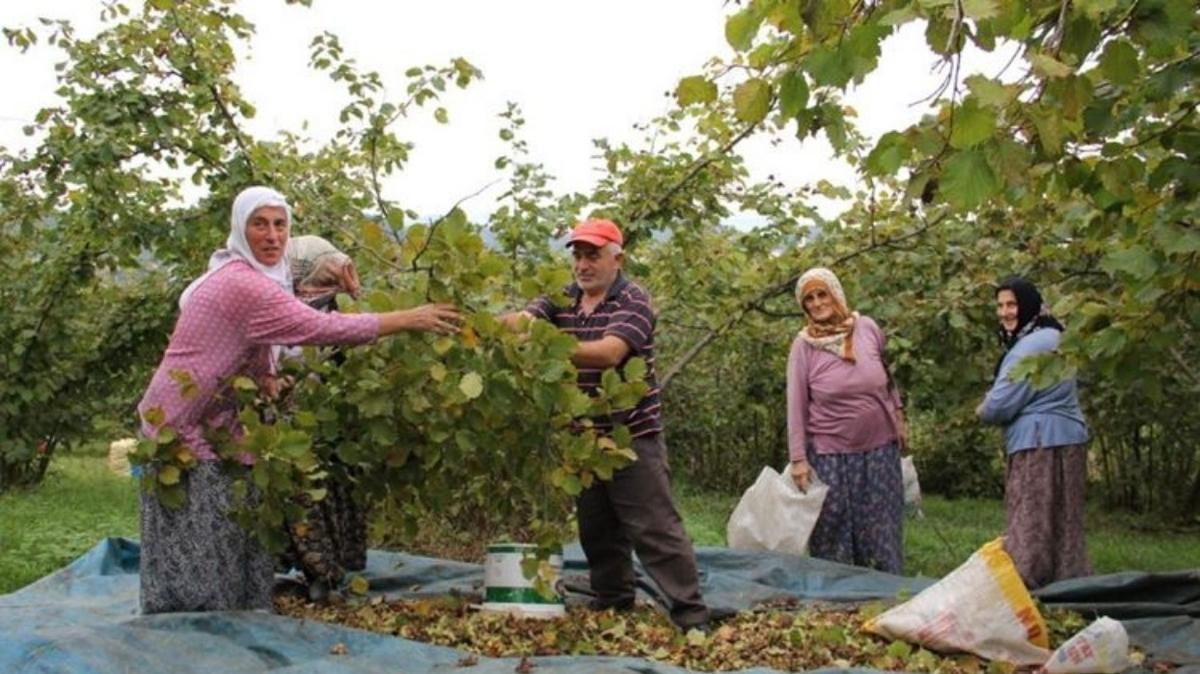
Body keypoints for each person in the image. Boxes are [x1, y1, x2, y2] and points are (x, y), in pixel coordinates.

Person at [136, 186, 461, 614]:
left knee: (235, 536)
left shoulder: (254, 276)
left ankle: (233, 619)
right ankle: (193, 634)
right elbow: (314, 326)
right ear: (239, 228)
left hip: (220, 427)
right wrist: (408, 318)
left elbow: (250, 343)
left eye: (280, 224)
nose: (272, 235)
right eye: (260, 224)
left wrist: (265, 378)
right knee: (199, 543)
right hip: (180, 432)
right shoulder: (242, 283)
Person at [502, 218, 710, 632]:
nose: (583, 264)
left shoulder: (634, 300)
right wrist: (482, 326)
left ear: (618, 258)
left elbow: (609, 353)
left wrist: (547, 346)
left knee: (654, 527)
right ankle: (613, 600)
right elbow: (524, 321)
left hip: (631, 434)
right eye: (578, 255)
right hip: (582, 437)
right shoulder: (562, 299)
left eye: (593, 255)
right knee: (597, 527)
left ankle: (691, 614)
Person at [786, 267, 906, 574]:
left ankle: (884, 587)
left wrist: (898, 414)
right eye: (809, 299)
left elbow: (887, 377)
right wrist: (798, 459)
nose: (816, 303)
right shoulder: (803, 346)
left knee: (880, 522)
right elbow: (796, 403)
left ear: (836, 294)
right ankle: (837, 596)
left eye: (822, 294)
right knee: (834, 525)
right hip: (830, 452)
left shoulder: (866, 328)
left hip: (880, 448)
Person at [977, 276, 1091, 589]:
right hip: (1069, 438)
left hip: (1038, 443)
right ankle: (1071, 591)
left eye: (1011, 304)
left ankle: (1026, 591)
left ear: (1027, 305)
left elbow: (999, 405)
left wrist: (982, 408)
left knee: (1031, 522)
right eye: (1000, 305)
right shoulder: (1056, 336)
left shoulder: (1028, 348)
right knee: (1064, 525)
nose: (1004, 312)